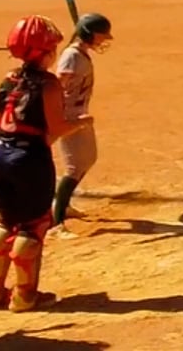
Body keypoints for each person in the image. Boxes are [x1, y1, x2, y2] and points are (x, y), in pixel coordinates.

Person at [0, 15, 85, 312]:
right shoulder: (49, 84)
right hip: (29, 160)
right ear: (45, 51)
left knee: (5, 221)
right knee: (33, 226)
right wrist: (81, 122)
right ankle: (24, 296)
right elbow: (56, 129)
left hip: (0, 155)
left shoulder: (8, 79)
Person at [51, 13, 112, 231]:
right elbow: (56, 85)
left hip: (79, 112)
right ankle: (57, 219)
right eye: (101, 35)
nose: (103, 40)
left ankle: (64, 205)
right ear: (89, 34)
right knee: (74, 166)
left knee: (88, 158)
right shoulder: (71, 56)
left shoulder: (80, 53)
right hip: (69, 114)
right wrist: (61, 116)